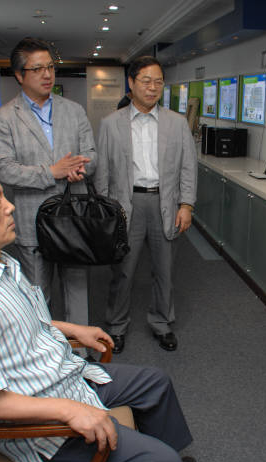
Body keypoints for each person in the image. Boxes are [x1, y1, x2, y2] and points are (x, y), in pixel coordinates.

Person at [0, 155, 195, 462]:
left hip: (65, 376)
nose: (10, 206)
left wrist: (73, 329)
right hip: (42, 426)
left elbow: (20, 322)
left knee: (156, 383)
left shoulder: (0, 262)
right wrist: (69, 410)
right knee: (162, 460)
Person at [95, 56, 197, 354]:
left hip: (165, 203)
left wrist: (187, 204)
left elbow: (188, 167)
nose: (152, 88)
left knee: (164, 270)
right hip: (126, 205)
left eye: (158, 82)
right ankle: (117, 326)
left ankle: (162, 323)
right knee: (123, 270)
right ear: (131, 83)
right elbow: (102, 173)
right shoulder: (110, 124)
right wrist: (105, 212)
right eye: (146, 81)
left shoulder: (177, 124)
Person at [0, 37, 95, 326]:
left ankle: (82, 354)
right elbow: (4, 169)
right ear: (19, 75)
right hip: (32, 217)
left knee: (77, 288)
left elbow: (91, 154)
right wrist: (52, 172)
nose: (47, 74)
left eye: (50, 67)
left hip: (73, 214)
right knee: (38, 294)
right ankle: (45, 358)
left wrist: (79, 169)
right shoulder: (3, 118)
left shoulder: (73, 110)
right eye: (37, 69)